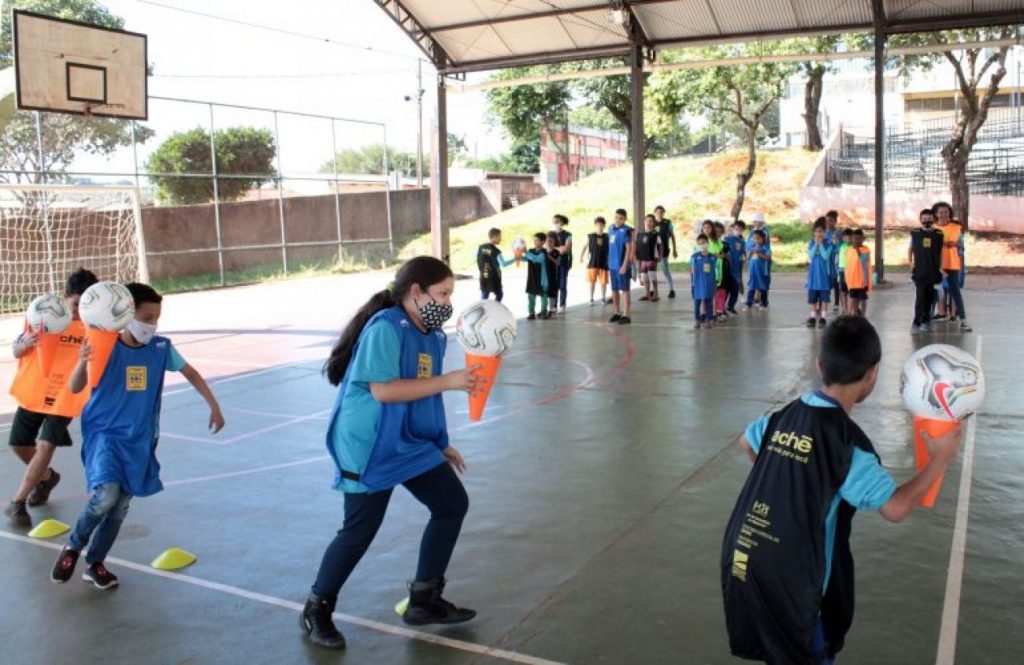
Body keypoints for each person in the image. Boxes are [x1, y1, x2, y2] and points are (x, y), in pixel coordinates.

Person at [722, 316, 963, 665]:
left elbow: (747, 440)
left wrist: (787, 477)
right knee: (809, 648)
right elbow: (895, 509)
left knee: (773, 645)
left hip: (745, 558)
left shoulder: (787, 413)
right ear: (872, 374)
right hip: (793, 576)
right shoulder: (846, 443)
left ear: (820, 365)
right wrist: (938, 461)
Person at [301, 257, 481, 649]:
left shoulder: (433, 336)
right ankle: (317, 608)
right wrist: (448, 381)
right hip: (368, 443)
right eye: (443, 294)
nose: (448, 303)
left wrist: (438, 442)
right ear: (416, 292)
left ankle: (424, 599)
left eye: (451, 294)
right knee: (360, 530)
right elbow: (384, 390)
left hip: (408, 440)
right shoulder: (385, 328)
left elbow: (423, 395)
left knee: (451, 504)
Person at [52, 283, 225, 590]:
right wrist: (81, 360)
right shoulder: (104, 345)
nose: (152, 324)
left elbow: (191, 373)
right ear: (126, 313)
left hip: (140, 438)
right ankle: (73, 546)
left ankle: (95, 564)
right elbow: (76, 388)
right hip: (105, 433)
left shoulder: (160, 348)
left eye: (156, 318)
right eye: (147, 317)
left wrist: (214, 406)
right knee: (105, 496)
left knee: (119, 508)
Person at [5, 268, 98, 527]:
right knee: (19, 445)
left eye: (85, 305)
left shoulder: (94, 325)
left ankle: (18, 502)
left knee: (45, 445)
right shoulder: (41, 315)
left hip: (66, 393)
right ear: (66, 296)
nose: (80, 310)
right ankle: (46, 478)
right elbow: (17, 349)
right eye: (76, 304)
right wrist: (24, 345)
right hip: (36, 388)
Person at [932, 202, 972, 332]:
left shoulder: (956, 227)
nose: (944, 214)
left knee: (955, 292)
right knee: (934, 292)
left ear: (949, 212)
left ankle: (963, 320)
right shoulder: (932, 228)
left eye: (946, 211)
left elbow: (961, 244)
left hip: (952, 264)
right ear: (936, 214)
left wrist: (955, 243)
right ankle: (931, 316)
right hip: (937, 265)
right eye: (941, 212)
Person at [908, 208, 944, 333]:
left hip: (933, 271)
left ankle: (926, 320)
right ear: (920, 220)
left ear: (933, 220)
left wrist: (942, 267)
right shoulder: (915, 233)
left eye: (929, 219)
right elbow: (911, 248)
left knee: (929, 297)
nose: (927, 222)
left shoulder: (939, 234)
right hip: (920, 271)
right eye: (924, 219)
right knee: (920, 297)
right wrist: (910, 262)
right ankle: (916, 322)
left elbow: (942, 252)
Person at [608, 208, 635, 325]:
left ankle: (626, 315)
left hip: (622, 266)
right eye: (616, 218)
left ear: (625, 219)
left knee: (625, 290)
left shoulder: (626, 230)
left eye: (621, 218)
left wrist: (624, 265)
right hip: (612, 266)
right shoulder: (610, 228)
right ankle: (617, 312)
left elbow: (629, 249)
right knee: (614, 290)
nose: (618, 220)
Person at [806, 219, 834, 328]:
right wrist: (816, 245)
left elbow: (825, 256)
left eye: (821, 231)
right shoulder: (811, 243)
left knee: (824, 298)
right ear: (814, 232)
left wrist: (820, 244)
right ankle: (812, 316)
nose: (819, 234)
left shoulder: (828, 243)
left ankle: (823, 317)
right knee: (813, 298)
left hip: (824, 276)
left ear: (825, 232)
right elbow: (811, 255)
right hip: (813, 276)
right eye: (817, 231)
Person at [523, 232, 555, 320]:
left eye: (537, 240)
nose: (535, 242)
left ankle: (544, 313)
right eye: (534, 240)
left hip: (542, 279)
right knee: (531, 296)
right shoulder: (531, 251)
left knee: (543, 295)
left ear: (543, 242)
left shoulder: (544, 252)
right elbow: (526, 258)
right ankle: (531, 313)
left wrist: (526, 252)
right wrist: (518, 253)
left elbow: (537, 259)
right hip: (532, 278)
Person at [476, 228, 514, 302]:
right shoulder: (495, 251)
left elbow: (476, 256)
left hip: (484, 276)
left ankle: (484, 311)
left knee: (484, 296)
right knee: (499, 295)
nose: (501, 238)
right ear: (495, 236)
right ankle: (495, 310)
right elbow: (504, 264)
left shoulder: (480, 247)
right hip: (494, 277)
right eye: (499, 236)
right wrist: (515, 259)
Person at [580, 216, 610, 305]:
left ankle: (603, 298)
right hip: (592, 263)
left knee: (603, 282)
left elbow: (610, 250)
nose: (599, 227)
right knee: (592, 282)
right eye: (598, 225)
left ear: (604, 226)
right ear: (595, 226)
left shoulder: (607, 237)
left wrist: (609, 260)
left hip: (604, 263)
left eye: (601, 225)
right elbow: (584, 247)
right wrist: (581, 256)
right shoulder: (590, 236)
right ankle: (591, 299)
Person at [843, 229, 871, 317]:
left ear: (863, 239)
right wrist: (845, 276)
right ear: (851, 239)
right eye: (855, 239)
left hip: (862, 281)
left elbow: (863, 260)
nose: (857, 241)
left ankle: (863, 315)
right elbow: (847, 265)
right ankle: (853, 314)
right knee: (853, 298)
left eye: (859, 239)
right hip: (852, 280)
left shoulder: (866, 249)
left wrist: (858, 250)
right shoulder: (848, 250)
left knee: (863, 299)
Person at [691, 234, 717, 329]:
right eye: (700, 243)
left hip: (709, 284)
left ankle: (708, 319)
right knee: (697, 303)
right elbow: (692, 270)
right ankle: (697, 320)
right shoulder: (694, 257)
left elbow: (715, 270)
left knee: (708, 302)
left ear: (707, 243)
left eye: (704, 242)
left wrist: (714, 281)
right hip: (697, 284)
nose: (702, 245)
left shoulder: (713, 257)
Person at [635, 214, 662, 302]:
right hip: (643, 258)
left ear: (653, 223)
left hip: (652, 257)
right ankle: (647, 294)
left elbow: (660, 245)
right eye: (647, 220)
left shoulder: (655, 234)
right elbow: (637, 245)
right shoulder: (640, 233)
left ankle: (656, 294)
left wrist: (660, 256)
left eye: (651, 221)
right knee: (644, 276)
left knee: (652, 276)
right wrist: (636, 255)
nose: (648, 222)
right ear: (644, 221)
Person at [654, 205, 678, 298]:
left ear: (664, 213)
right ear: (655, 213)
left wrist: (675, 249)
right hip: (653, 250)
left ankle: (671, 289)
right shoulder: (652, 222)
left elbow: (672, 236)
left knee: (665, 269)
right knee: (652, 270)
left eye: (661, 212)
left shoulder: (668, 223)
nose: (660, 214)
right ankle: (653, 290)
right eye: (658, 212)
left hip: (664, 250)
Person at [723, 221, 746, 314]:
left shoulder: (742, 242)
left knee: (735, 289)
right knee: (726, 290)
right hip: (728, 268)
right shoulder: (726, 239)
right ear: (732, 229)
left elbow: (744, 253)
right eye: (736, 228)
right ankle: (721, 308)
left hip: (737, 268)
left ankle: (730, 306)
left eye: (740, 229)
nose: (738, 230)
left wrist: (744, 258)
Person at [745, 229, 771, 310]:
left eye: (758, 238)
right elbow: (747, 258)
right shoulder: (752, 247)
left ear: (763, 238)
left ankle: (764, 303)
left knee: (763, 287)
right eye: (754, 238)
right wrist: (750, 252)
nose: (756, 240)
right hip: (753, 271)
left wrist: (759, 254)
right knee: (751, 287)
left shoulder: (766, 248)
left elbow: (768, 257)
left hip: (762, 271)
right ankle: (748, 304)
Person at [552, 214, 573, 315]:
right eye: (554, 222)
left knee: (562, 285)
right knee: (554, 285)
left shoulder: (568, 234)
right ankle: (553, 306)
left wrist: (558, 248)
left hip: (564, 262)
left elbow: (567, 247)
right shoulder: (550, 234)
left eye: (558, 222)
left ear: (562, 223)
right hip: (552, 262)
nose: (556, 224)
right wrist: (558, 248)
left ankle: (562, 305)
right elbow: (547, 246)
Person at [824, 211, 842, 313]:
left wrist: (835, 243)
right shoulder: (822, 232)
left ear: (835, 222)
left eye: (830, 221)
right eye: (826, 221)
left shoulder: (838, 233)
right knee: (825, 282)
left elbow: (840, 246)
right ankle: (823, 302)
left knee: (836, 282)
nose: (828, 223)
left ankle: (836, 303)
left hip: (835, 260)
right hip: (825, 260)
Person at [835, 229, 853, 315]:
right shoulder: (841, 246)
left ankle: (850, 310)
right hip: (841, 271)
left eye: (850, 238)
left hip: (851, 271)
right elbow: (836, 237)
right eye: (846, 238)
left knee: (850, 292)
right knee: (843, 291)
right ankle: (845, 309)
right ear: (843, 238)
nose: (848, 240)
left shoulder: (853, 247)